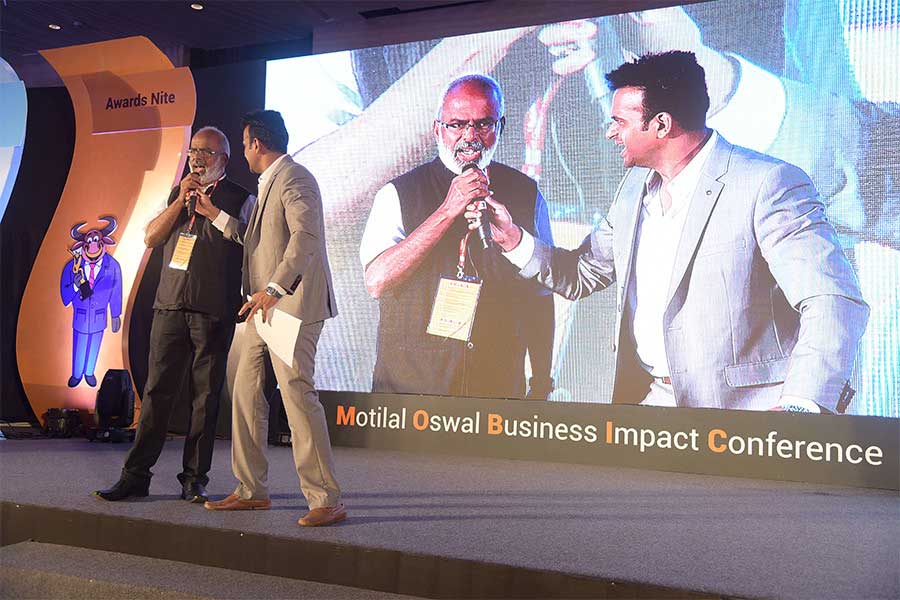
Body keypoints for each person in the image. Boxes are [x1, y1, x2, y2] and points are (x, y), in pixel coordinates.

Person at [477, 51, 869, 412]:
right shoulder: (633, 189)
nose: (611, 133)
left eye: (620, 122)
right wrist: (513, 238)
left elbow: (832, 298)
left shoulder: (767, 184)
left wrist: (799, 406)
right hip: (658, 403)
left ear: (661, 124)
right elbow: (582, 273)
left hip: (751, 415)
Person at [359, 74, 555, 399]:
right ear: (438, 129)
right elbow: (377, 281)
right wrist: (447, 211)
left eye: (483, 124)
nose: (470, 136)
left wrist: (542, 381)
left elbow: (540, 295)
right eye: (457, 125)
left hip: (496, 391)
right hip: (412, 393)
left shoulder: (527, 193)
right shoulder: (397, 193)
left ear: (501, 127)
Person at [203, 110, 344, 527]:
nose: (243, 150)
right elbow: (257, 241)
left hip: (288, 305)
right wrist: (215, 216)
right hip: (259, 309)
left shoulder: (296, 177)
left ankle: (326, 498)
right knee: (245, 395)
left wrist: (276, 288)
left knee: (296, 396)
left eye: (244, 143)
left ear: (256, 144)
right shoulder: (270, 182)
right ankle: (251, 490)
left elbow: (305, 237)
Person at [95, 126, 252, 502]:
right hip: (169, 305)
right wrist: (180, 200)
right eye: (194, 151)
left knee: (205, 397)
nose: (197, 158)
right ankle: (135, 476)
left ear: (224, 159)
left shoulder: (241, 198)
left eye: (206, 153)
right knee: (155, 392)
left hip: (213, 309)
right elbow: (151, 237)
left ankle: (194, 479)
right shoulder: (175, 194)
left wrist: (213, 213)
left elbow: (253, 242)